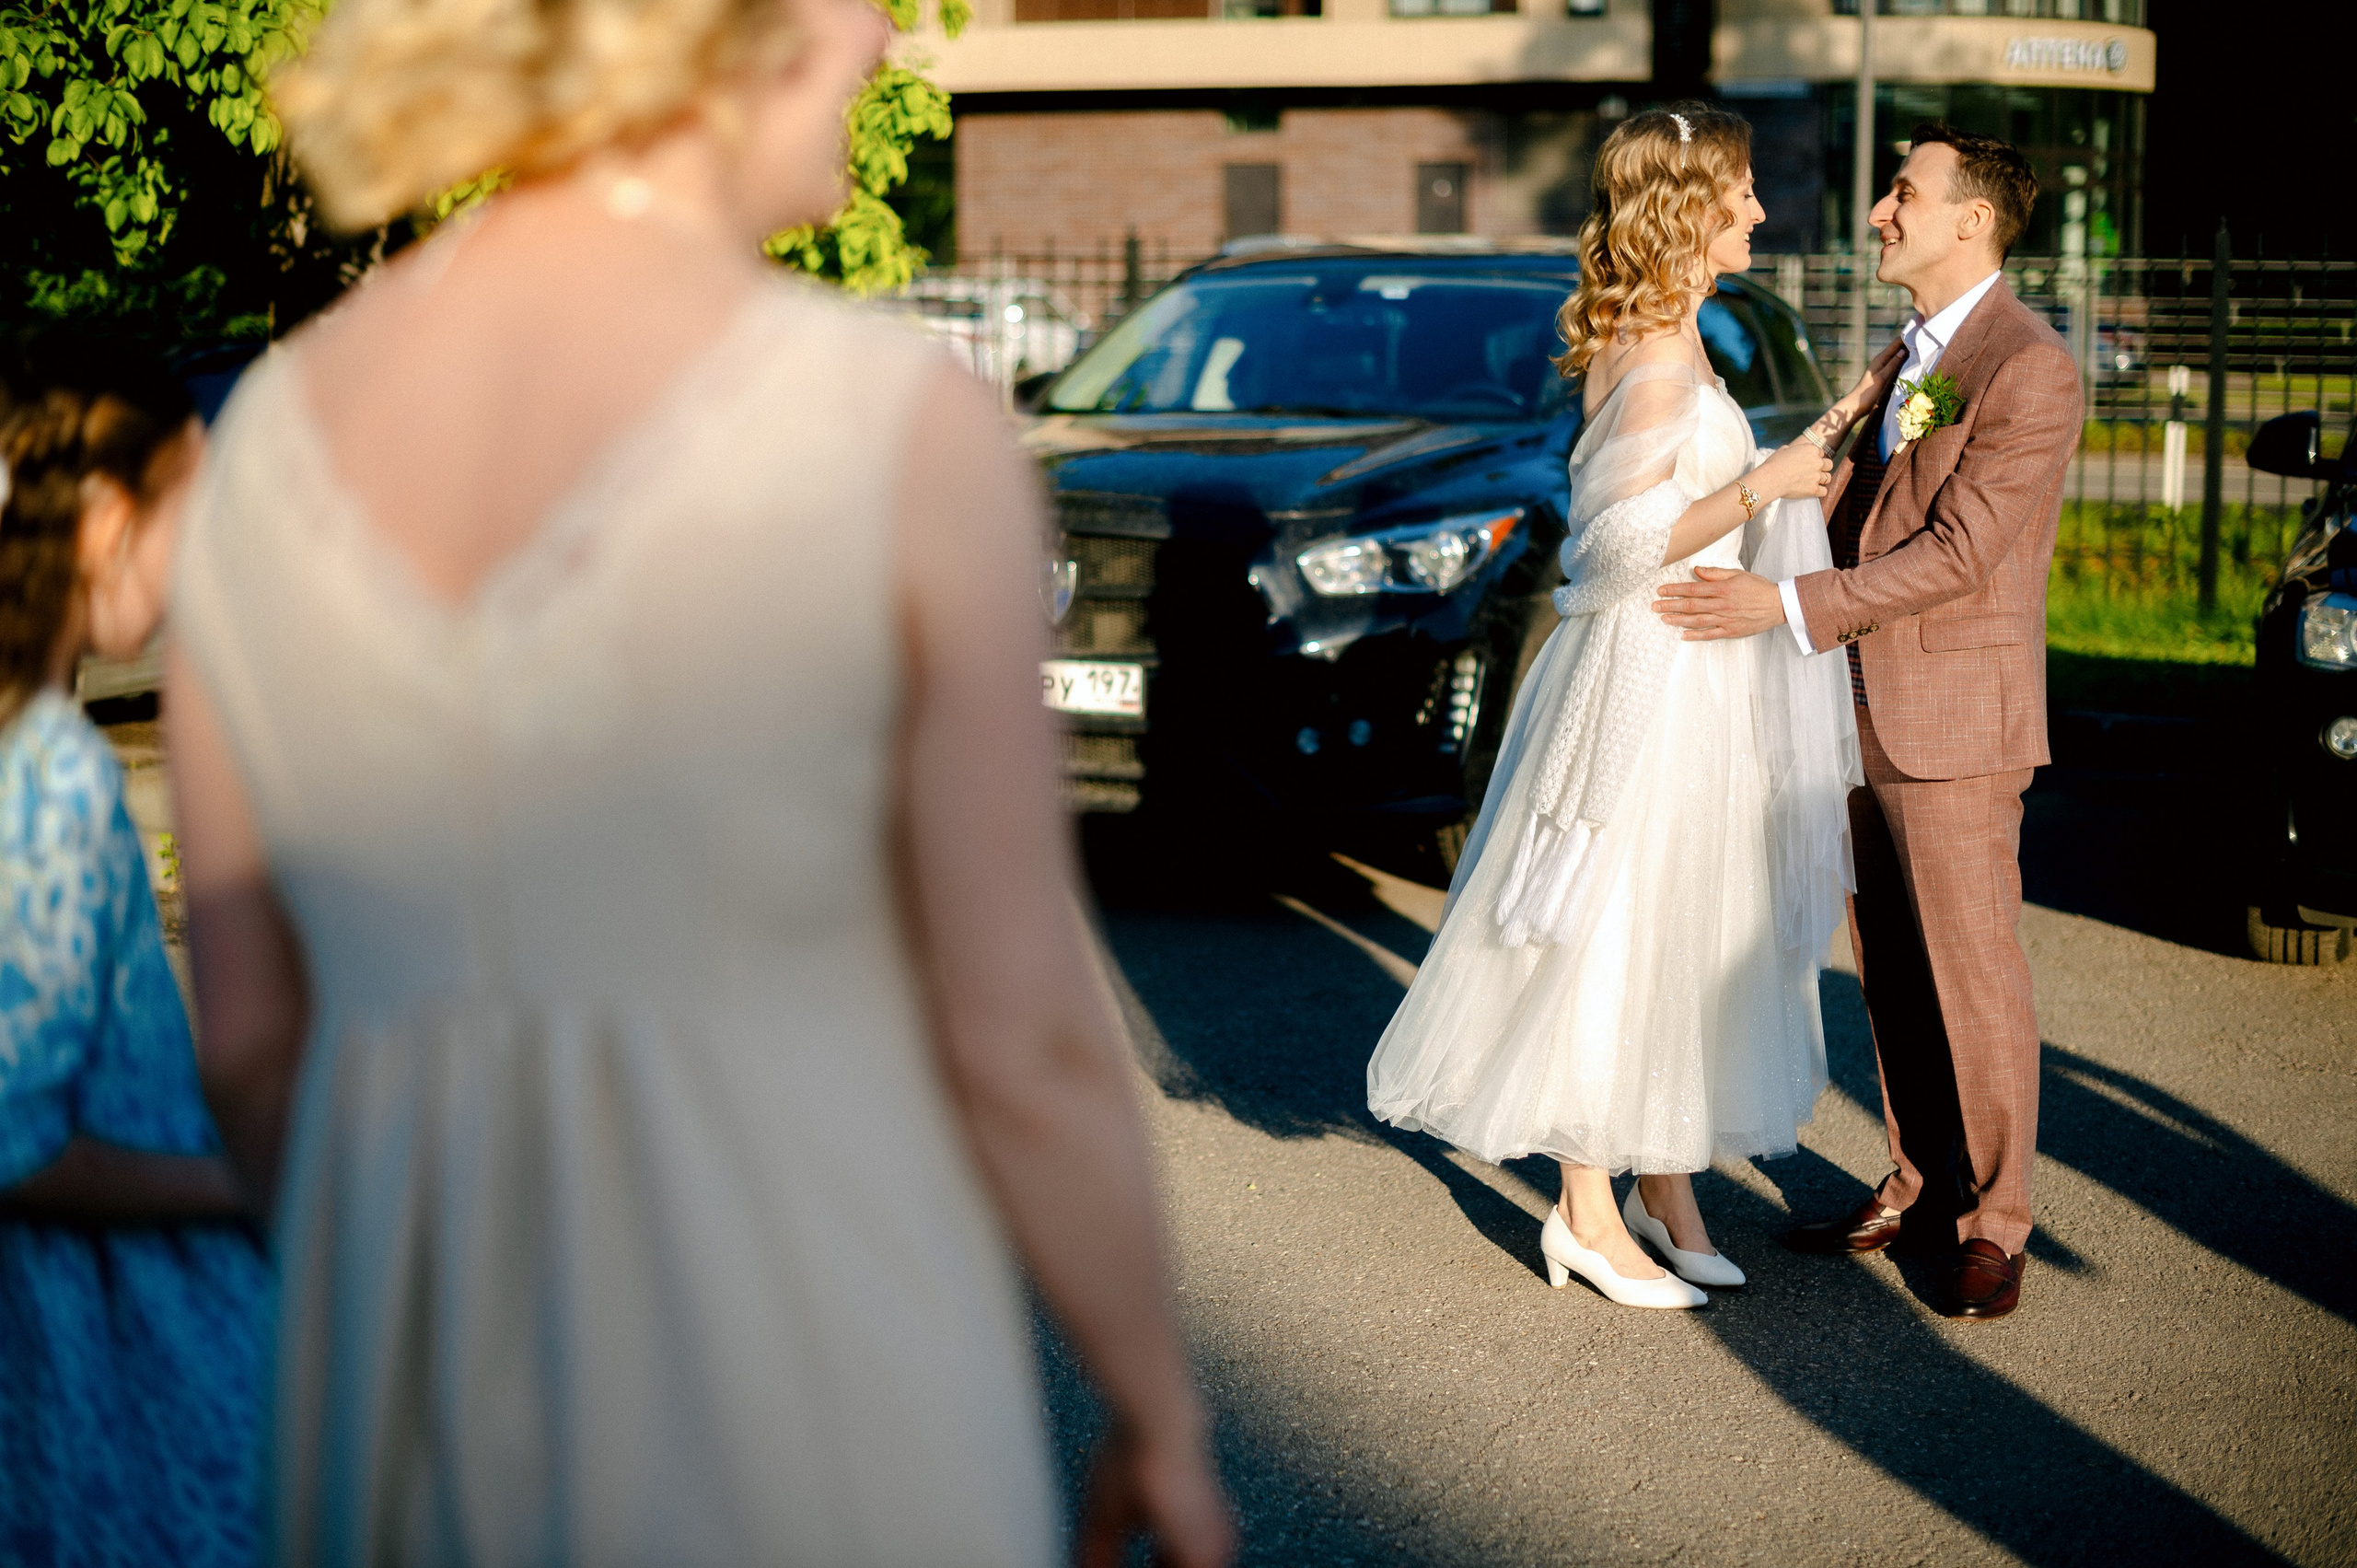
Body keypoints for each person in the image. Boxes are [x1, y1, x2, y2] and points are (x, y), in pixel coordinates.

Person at [167, 0, 1234, 1558]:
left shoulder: (262, 440)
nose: (881, 30)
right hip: (815, 1365)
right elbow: (1023, 1036)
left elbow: (254, 1042)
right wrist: (1156, 1409)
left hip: (407, 1408)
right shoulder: (890, 426)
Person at [1365, 103, 1857, 1310]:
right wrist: (1764, 486)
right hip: (1644, 675)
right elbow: (1610, 544)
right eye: (1737, 191)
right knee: (1622, 924)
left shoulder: (1688, 330)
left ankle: (1666, 1183)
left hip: (1699, 670)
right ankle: (1586, 1212)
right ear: (1686, 206)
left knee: (1694, 925)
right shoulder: (1648, 347)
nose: (1755, 210)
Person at [1655, 123, 2080, 1322]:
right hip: (1850, 706)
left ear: (1971, 222)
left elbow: (1960, 552)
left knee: (1973, 973)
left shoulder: (2028, 365)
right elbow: (1853, 517)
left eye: (1905, 194)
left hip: (1953, 716)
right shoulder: (1907, 353)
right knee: (1890, 969)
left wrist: (1779, 605)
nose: (1880, 213)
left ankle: (1995, 1223)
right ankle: (1916, 1179)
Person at [0, 346, 271, 1565]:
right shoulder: (50, 765)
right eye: (188, 513)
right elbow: (17, 1136)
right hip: (118, 1372)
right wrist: (238, 1184)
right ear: (110, 518)